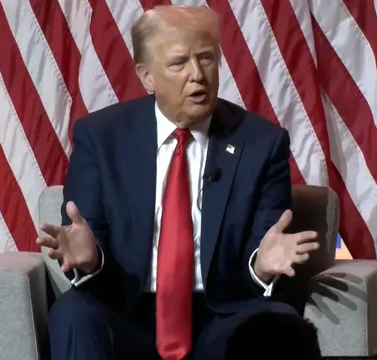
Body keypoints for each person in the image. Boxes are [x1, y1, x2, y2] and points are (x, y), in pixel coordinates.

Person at [37, 5, 321, 360]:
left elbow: (262, 243)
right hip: (128, 310)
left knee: (278, 324)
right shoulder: (101, 137)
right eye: (178, 63)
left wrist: (259, 266)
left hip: (222, 313)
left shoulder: (261, 143)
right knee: (73, 315)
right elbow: (87, 236)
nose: (197, 75)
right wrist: (91, 260)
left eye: (206, 58)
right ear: (147, 77)